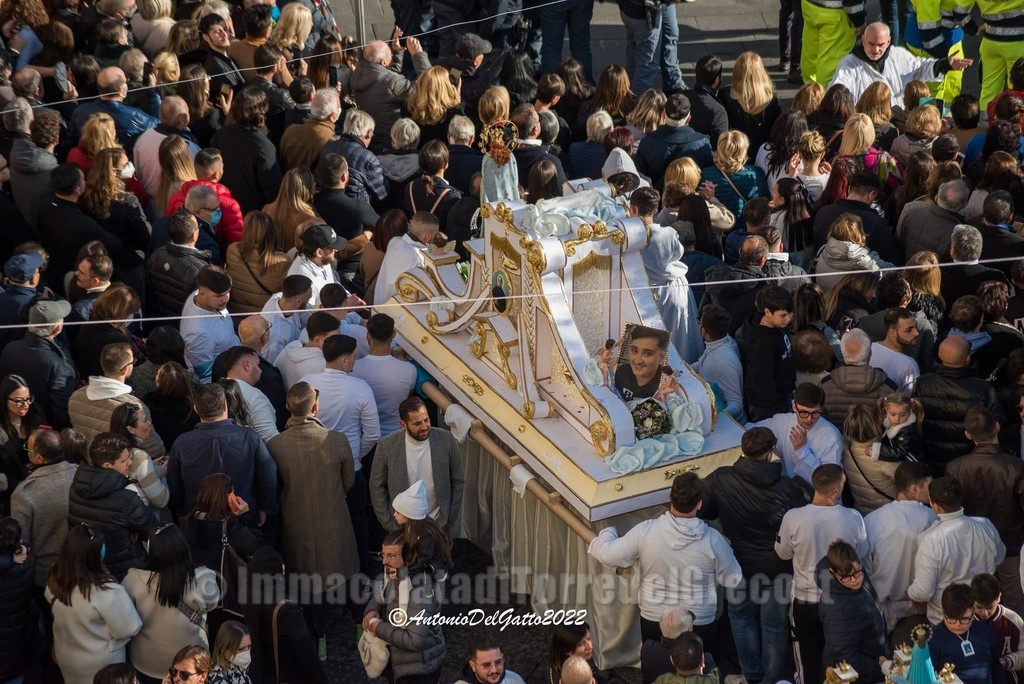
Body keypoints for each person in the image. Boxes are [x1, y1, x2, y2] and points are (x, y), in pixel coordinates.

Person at [589, 471, 743, 654]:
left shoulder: (646, 532)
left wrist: (608, 531)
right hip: (699, 620)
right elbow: (733, 579)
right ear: (699, 504)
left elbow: (607, 554)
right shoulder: (714, 540)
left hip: (654, 617)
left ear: (670, 497)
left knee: (656, 665)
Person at [700, 427, 805, 684]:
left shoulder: (721, 478)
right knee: (774, 625)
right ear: (771, 453)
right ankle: (771, 679)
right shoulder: (787, 486)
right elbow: (799, 524)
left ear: (744, 450)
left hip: (737, 564)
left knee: (740, 618)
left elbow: (705, 510)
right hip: (778, 567)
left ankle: (751, 676)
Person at [266, 381, 357, 655]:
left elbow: (275, 486)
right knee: (348, 571)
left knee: (308, 583)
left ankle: (319, 640)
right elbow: (349, 481)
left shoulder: (275, 445)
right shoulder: (336, 440)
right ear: (316, 407)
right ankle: (361, 626)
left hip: (297, 523)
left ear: (287, 407)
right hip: (335, 519)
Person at [776, 463, 868, 684]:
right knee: (843, 659)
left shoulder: (793, 518)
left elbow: (782, 553)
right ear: (835, 491)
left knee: (807, 658)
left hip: (805, 599)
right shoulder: (853, 517)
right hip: (841, 600)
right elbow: (862, 554)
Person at [946, 406, 1024, 615]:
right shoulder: (1016, 467)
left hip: (972, 547)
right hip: (1011, 545)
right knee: (1015, 601)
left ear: (968, 435)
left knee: (975, 599)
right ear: (997, 426)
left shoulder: (955, 467)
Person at [167, 383, 278, 525]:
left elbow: (174, 485)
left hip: (199, 523)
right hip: (242, 518)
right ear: (226, 406)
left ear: (196, 408)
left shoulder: (181, 444)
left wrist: (180, 513)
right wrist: (266, 508)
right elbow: (268, 476)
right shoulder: (249, 438)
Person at [46, 524, 143, 684]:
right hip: (102, 665)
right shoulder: (107, 592)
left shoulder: (55, 579)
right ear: (95, 556)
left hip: (66, 657)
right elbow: (129, 628)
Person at [122, 524, 220, 682]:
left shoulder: (133, 580)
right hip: (189, 668)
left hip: (146, 663)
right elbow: (212, 604)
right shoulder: (203, 579)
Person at [908, 477, 1007, 624]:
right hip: (983, 614)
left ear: (935, 505)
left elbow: (923, 592)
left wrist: (911, 594)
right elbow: (1000, 557)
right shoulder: (985, 525)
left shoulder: (931, 540)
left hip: (948, 620)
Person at [370, 395, 465, 535]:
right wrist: (389, 523)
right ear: (403, 425)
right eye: (417, 423)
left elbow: (457, 481)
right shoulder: (387, 446)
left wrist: (448, 519)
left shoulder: (446, 440)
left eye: (426, 420)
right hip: (402, 527)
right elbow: (376, 486)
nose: (424, 427)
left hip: (438, 525)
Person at [914, 335, 1006, 475]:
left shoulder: (922, 384)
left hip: (932, 461)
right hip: (970, 465)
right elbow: (997, 424)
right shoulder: (983, 389)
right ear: (968, 358)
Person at [863, 461, 938, 631]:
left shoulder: (872, 520)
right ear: (914, 489)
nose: (932, 492)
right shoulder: (932, 518)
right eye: (929, 486)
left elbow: (865, 565)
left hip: (884, 606)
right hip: (923, 605)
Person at [362, 530, 444, 684]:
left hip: (418, 671)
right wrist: (372, 610)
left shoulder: (419, 590)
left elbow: (414, 641)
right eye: (383, 555)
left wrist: (377, 627)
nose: (384, 561)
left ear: (408, 557)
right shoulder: (394, 574)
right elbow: (382, 593)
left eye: (391, 556)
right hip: (401, 664)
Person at [830, 23, 972, 104]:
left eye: (880, 45)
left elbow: (919, 69)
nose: (876, 50)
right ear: (862, 39)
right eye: (871, 44)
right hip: (866, 130)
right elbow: (837, 93)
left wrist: (945, 65)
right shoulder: (848, 65)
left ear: (888, 41)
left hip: (898, 125)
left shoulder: (898, 56)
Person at [68, 341, 165, 459]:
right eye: (133, 362)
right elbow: (153, 447)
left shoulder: (76, 397)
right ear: (125, 369)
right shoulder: (134, 407)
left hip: (88, 462)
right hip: (121, 465)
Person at [817, 539, 887, 683]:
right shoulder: (836, 608)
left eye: (857, 573)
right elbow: (845, 655)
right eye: (846, 577)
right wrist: (878, 669)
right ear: (833, 572)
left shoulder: (852, 577)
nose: (854, 580)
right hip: (855, 675)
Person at [0, 300, 78, 430]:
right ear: (58, 328)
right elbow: (61, 410)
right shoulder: (58, 365)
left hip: (13, 424)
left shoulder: (10, 348)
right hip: (42, 430)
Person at [211, 85, 283, 214]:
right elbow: (273, 190)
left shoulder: (222, 134)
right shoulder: (264, 147)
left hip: (226, 207)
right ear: (262, 111)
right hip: (253, 215)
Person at [352, 313, 417, 437]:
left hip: (364, 435)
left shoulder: (353, 369)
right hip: (396, 435)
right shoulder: (410, 370)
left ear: (367, 336)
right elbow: (408, 397)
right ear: (394, 334)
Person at [929, 583, 1007, 684]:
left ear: (973, 611)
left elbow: (997, 669)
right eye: (951, 619)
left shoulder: (984, 631)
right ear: (944, 612)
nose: (957, 624)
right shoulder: (933, 639)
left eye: (964, 619)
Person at [740, 285, 796, 421]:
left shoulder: (778, 326)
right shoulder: (762, 344)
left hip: (782, 396)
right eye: (783, 315)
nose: (788, 319)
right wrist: (777, 405)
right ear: (767, 312)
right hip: (768, 408)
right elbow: (761, 381)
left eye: (790, 313)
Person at [635, 93, 713, 189]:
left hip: (655, 197)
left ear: (664, 115)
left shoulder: (647, 142)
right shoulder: (702, 143)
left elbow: (640, 178)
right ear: (689, 118)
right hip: (690, 197)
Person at [181, 265, 242, 382]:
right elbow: (205, 378)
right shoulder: (198, 333)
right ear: (202, 293)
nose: (226, 299)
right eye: (219, 295)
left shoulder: (204, 299)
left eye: (228, 292)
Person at [146, 210, 210, 319]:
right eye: (198, 227)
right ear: (194, 235)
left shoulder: (156, 255)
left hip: (156, 321)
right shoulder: (200, 270)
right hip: (182, 326)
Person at [224, 211, 291, 314]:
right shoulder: (283, 261)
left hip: (235, 315)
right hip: (264, 318)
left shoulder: (233, 251)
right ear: (272, 232)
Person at [692, 305, 745, 422]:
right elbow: (700, 363)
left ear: (703, 331)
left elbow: (736, 403)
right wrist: (682, 370)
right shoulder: (721, 341)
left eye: (700, 322)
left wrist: (715, 417)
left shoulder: (724, 362)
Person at [374, 211, 438, 306]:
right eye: (435, 236)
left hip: (379, 305)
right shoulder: (419, 257)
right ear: (428, 236)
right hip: (398, 311)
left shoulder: (394, 241)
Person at [867, 307, 921, 395]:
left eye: (916, 327)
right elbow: (907, 399)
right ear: (892, 333)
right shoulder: (909, 365)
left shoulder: (868, 348)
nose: (916, 333)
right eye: (909, 330)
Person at [453, 638, 528, 684]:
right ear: (473, 665)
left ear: (503, 658)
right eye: (486, 665)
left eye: (498, 662)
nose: (494, 670)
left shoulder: (514, 679)